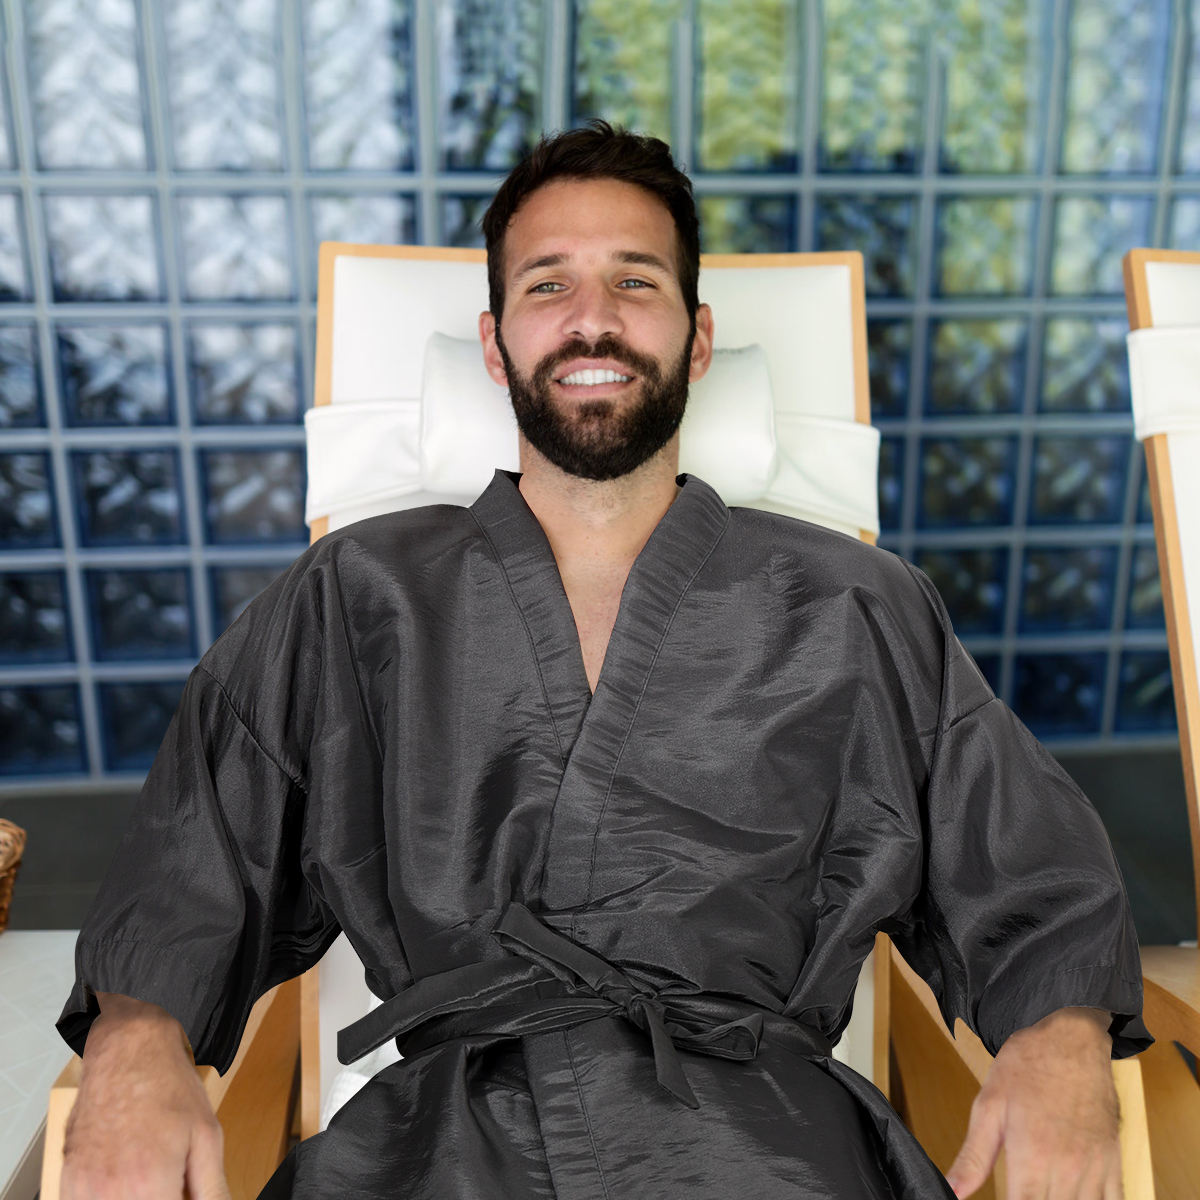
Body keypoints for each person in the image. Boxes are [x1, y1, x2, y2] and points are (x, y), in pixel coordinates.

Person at [58, 121, 1148, 1200]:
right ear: (495, 346)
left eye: (635, 282)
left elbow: (1023, 863)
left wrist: (1060, 1039)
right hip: (442, 1150)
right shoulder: (357, 593)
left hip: (766, 1149)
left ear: (698, 339)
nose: (593, 318)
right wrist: (137, 1043)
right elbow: (196, 860)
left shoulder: (856, 602)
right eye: (548, 286)